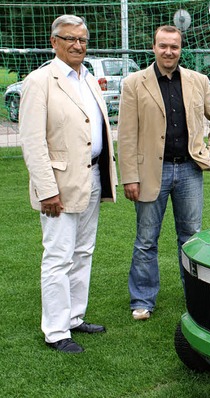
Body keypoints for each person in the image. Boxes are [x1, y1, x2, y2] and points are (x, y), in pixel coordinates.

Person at [19, 15, 118, 353]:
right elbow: (32, 142)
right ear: (54, 42)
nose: (78, 45)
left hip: (91, 176)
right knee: (58, 256)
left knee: (83, 252)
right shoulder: (40, 81)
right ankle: (56, 331)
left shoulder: (88, 78)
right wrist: (47, 189)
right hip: (58, 185)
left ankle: (74, 317)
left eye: (83, 40)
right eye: (70, 39)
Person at [118, 25, 210, 321]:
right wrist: (130, 176)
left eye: (174, 47)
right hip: (151, 171)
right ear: (154, 48)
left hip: (190, 171)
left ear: (181, 50)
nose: (169, 52)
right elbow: (126, 135)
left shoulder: (198, 81)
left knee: (191, 238)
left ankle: (194, 295)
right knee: (146, 239)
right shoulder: (134, 83)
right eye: (163, 46)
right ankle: (142, 299)